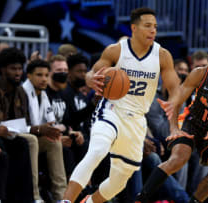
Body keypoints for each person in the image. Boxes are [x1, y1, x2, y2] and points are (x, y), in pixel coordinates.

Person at [61, 7, 180, 203]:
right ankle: (65, 200)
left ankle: (88, 202)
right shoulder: (116, 50)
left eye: (155, 27)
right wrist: (91, 79)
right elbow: (93, 72)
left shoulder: (162, 55)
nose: (153, 31)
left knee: (119, 181)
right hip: (112, 110)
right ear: (134, 28)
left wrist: (174, 103)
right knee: (97, 150)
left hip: (136, 119)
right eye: (147, 26)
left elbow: (175, 87)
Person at [136, 44, 208, 203]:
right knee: (178, 159)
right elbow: (177, 101)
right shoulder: (200, 74)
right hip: (193, 123)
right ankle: (141, 198)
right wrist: (174, 127)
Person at [22, 59, 67, 202]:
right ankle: (35, 196)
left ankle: (61, 196)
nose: (44, 79)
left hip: (35, 134)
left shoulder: (43, 93)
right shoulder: (22, 92)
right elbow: (17, 125)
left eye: (46, 75)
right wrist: (41, 129)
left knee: (54, 142)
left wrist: (58, 132)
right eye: (39, 75)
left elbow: (51, 122)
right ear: (29, 75)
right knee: (33, 141)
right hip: (20, 137)